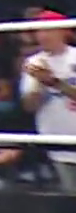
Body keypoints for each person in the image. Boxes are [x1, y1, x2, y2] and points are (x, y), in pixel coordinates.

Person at [19, 14, 76, 192]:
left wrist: (54, 82)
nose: (43, 35)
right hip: (55, 145)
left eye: (48, 29)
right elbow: (29, 107)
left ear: (63, 31)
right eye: (39, 30)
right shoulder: (33, 63)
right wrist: (39, 81)